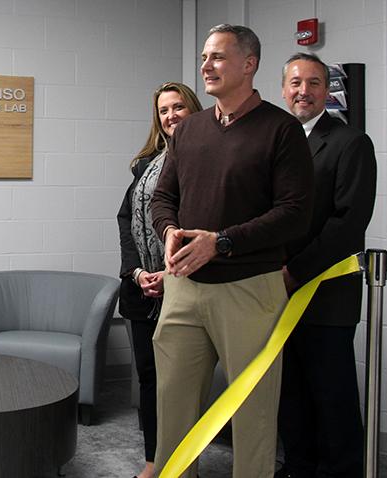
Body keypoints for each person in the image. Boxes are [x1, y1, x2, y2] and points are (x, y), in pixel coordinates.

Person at [149, 24, 314, 477]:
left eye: (218, 57)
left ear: (249, 64)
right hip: (184, 289)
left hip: (249, 291)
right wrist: (168, 232)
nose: (206, 65)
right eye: (204, 57)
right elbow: (164, 197)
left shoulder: (282, 131)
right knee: (174, 409)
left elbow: (295, 213)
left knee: (253, 414)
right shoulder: (190, 130)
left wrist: (220, 243)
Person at [276, 52, 377, 478]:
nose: (304, 91)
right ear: (284, 90)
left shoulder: (351, 142)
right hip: (274, 294)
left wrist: (294, 270)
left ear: (327, 90)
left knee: (331, 395)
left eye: (314, 83)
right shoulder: (277, 141)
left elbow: (348, 222)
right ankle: (297, 467)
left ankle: (341, 471)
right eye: (296, 83)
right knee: (290, 393)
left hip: (324, 296)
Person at [117, 82, 202, 478]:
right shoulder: (146, 164)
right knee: (151, 380)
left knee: (182, 384)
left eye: (178, 107)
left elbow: (206, 222)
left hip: (186, 286)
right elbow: (125, 221)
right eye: (164, 110)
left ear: (193, 109)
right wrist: (137, 273)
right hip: (142, 290)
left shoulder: (207, 157)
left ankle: (185, 462)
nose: (170, 116)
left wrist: (171, 274)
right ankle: (154, 461)